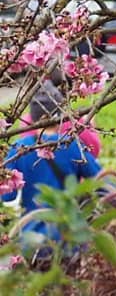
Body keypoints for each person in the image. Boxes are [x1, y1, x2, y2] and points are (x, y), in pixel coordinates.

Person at [2, 82, 103, 267]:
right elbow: (102, 182)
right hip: (70, 236)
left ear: (31, 118)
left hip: (32, 241)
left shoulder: (18, 149)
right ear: (60, 117)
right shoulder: (72, 145)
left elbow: (7, 197)